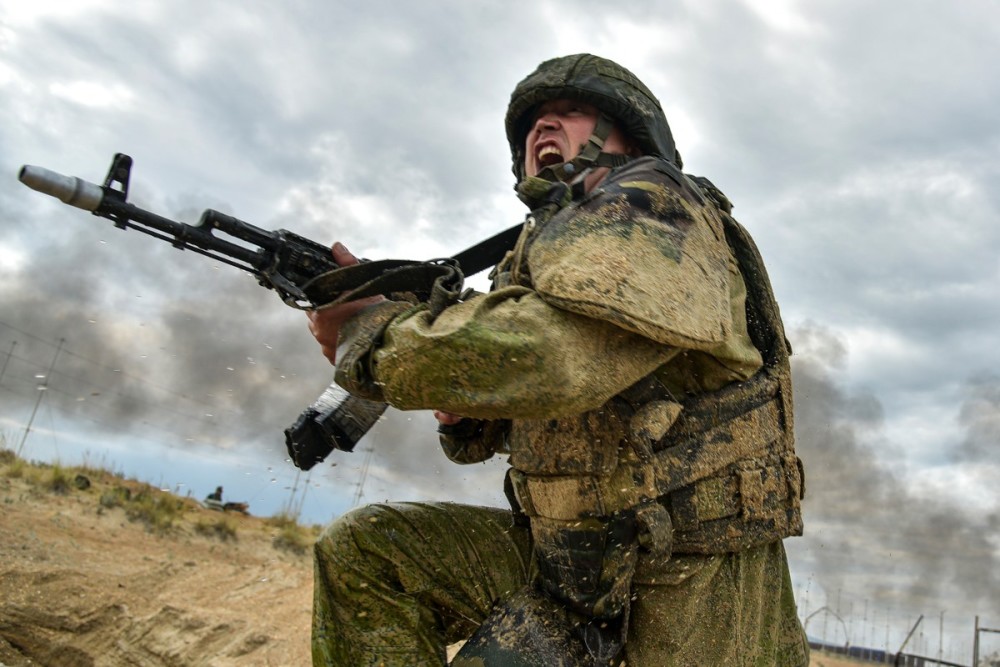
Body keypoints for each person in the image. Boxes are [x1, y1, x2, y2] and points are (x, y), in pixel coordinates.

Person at [306, 54, 809, 666]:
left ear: (626, 135)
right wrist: (463, 408)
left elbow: (556, 355)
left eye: (571, 112)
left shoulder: (656, 205)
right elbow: (515, 407)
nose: (545, 128)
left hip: (688, 576)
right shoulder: (539, 254)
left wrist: (375, 335)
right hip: (567, 559)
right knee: (372, 554)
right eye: (534, 123)